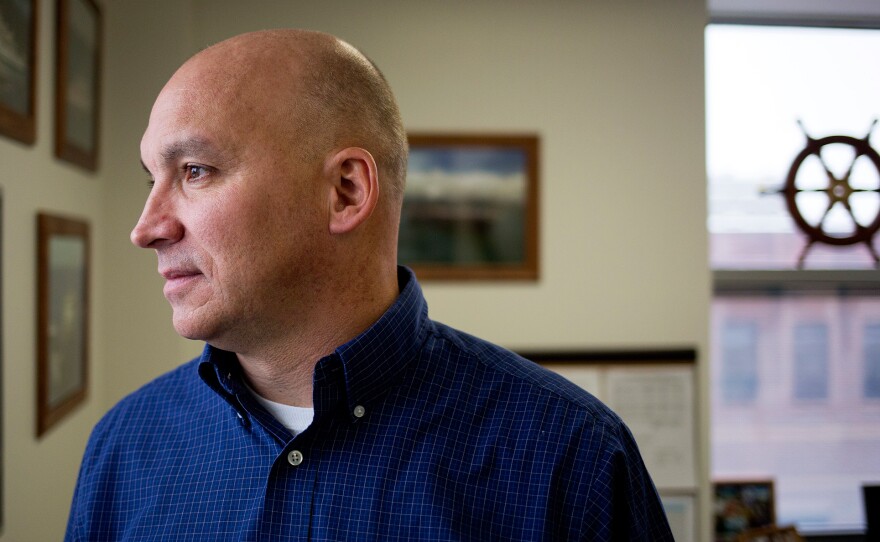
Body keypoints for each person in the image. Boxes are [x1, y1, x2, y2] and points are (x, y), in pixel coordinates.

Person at [65, 29, 673, 541]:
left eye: (195, 171)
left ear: (346, 191)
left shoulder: (571, 460)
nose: (146, 228)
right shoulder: (124, 449)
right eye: (152, 178)